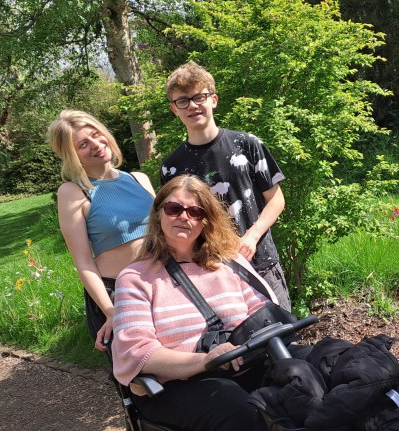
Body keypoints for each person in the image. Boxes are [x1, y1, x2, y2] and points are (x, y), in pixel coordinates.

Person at [111, 174, 278, 430]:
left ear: (205, 221)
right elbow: (137, 352)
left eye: (196, 211)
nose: (184, 216)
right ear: (158, 214)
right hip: (175, 385)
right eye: (174, 208)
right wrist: (206, 360)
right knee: (236, 409)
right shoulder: (136, 278)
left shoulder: (228, 263)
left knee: (313, 368)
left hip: (242, 367)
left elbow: (262, 315)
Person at [159, 61, 292, 311]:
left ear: (214, 100)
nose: (193, 105)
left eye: (200, 96)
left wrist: (252, 237)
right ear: (173, 109)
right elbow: (175, 223)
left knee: (284, 338)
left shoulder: (248, 144)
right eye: (183, 101)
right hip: (210, 272)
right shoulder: (171, 167)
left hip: (261, 262)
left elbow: (276, 199)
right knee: (235, 346)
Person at [47, 109, 156, 352]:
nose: (97, 145)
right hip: (119, 293)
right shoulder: (73, 192)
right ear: (72, 156)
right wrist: (111, 311)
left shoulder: (139, 179)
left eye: (97, 135)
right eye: (83, 144)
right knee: (142, 377)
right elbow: (83, 262)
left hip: (161, 283)